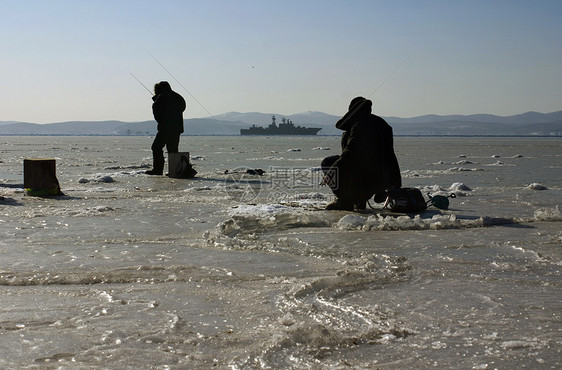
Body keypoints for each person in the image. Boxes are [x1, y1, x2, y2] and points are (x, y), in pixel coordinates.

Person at [321, 97, 401, 210]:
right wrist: (395, 183)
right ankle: (359, 200)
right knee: (350, 164)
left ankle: (344, 201)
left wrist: (330, 173)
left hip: (365, 177)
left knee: (328, 162)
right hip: (381, 177)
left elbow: (351, 152)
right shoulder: (382, 124)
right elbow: (390, 155)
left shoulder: (360, 125)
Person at [146, 81, 186, 175]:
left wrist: (156, 100)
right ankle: (175, 171)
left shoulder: (161, 98)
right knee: (173, 149)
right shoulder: (178, 96)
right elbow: (182, 108)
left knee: (156, 147)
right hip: (177, 128)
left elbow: (157, 114)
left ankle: (158, 170)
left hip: (165, 128)